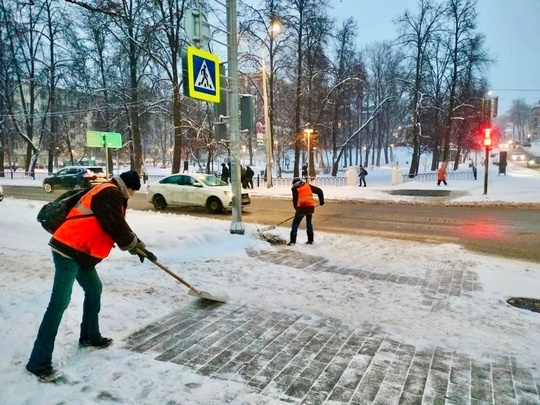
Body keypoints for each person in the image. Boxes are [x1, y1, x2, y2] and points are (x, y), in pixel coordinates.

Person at [26, 170, 156, 383]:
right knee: (59, 303)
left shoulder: (109, 191)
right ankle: (38, 362)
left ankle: (89, 336)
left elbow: (118, 225)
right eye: (133, 191)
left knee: (94, 289)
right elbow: (115, 226)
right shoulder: (110, 193)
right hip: (68, 250)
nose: (132, 195)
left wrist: (139, 246)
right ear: (128, 187)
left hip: (82, 253)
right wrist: (133, 246)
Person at [287, 177, 324, 246]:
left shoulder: (295, 188)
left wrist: (297, 210)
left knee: (295, 224)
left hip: (301, 208)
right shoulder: (307, 185)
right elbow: (319, 191)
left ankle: (292, 242)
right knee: (309, 224)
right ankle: (310, 240)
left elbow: (295, 201)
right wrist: (321, 201)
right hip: (310, 208)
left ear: (294, 183)